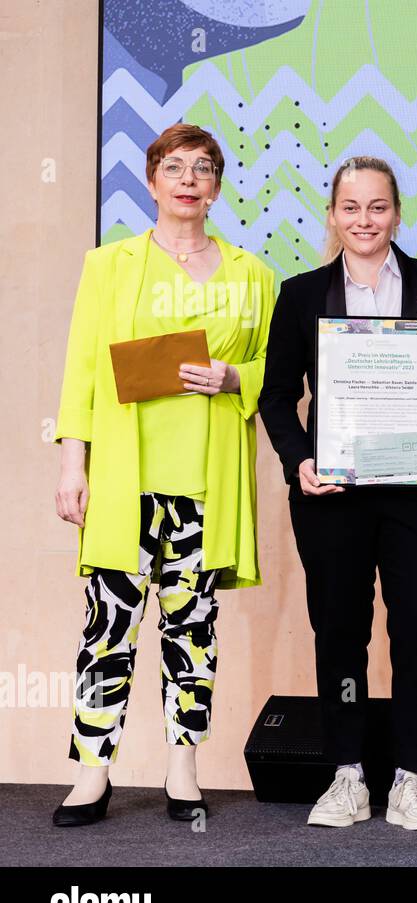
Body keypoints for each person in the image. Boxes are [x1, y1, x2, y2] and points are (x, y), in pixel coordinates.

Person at [260, 156, 417, 831]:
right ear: (333, 215)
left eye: (378, 207)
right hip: (330, 491)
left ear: (397, 212)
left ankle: (412, 778)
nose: (365, 221)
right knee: (339, 632)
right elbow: (277, 396)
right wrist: (298, 456)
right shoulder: (301, 294)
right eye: (351, 208)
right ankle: (345, 775)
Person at [52, 123, 274, 826]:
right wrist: (72, 463)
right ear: (151, 180)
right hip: (124, 478)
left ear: (216, 185)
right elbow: (83, 370)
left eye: (202, 168)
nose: (187, 178)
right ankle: (93, 772)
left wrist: (233, 373)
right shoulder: (108, 265)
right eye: (173, 167)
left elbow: (276, 370)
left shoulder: (253, 273)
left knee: (193, 628)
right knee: (107, 629)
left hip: (205, 481)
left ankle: (185, 768)